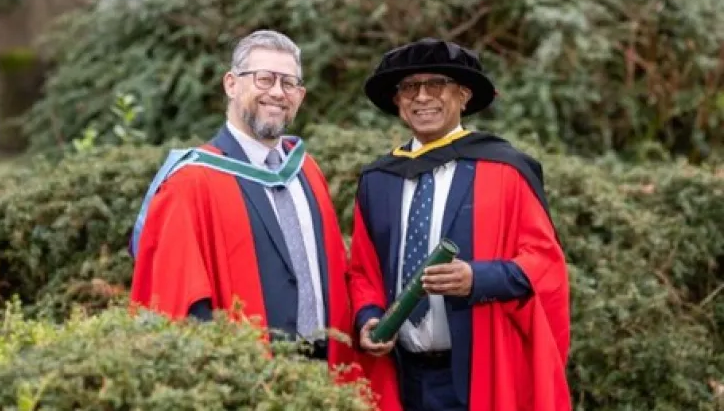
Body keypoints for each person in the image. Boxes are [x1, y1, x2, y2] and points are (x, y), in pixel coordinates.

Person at [346, 38, 572, 411]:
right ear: (397, 101)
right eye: (409, 87)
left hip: (480, 367)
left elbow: (544, 262)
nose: (422, 97)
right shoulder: (379, 179)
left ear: (463, 95)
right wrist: (369, 317)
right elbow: (363, 271)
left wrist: (477, 278)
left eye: (436, 84)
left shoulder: (505, 170)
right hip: (401, 373)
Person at [128, 30, 361, 380]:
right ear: (231, 84)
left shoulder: (306, 170)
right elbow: (179, 297)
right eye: (264, 79)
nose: (277, 93)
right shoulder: (191, 183)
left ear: (300, 95)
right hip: (246, 375)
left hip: (325, 368)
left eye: (288, 83)